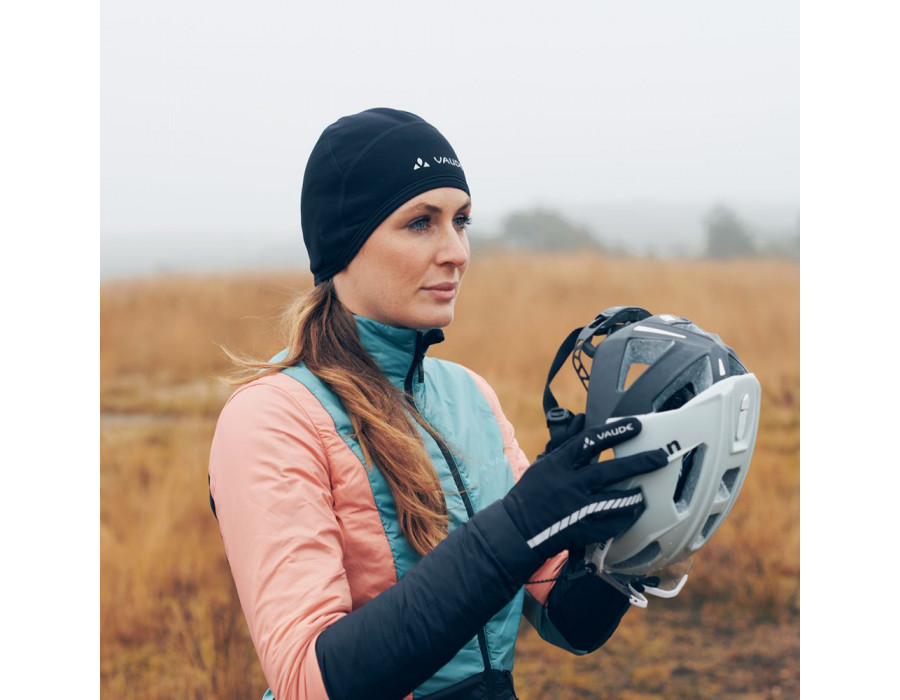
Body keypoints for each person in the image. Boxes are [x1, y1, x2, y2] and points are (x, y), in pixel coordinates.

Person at [208, 107, 667, 700]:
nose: (457, 252)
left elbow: (567, 620)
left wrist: (646, 527)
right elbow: (307, 681)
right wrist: (521, 527)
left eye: (462, 220)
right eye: (421, 223)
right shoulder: (271, 418)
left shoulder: (470, 395)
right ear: (346, 242)